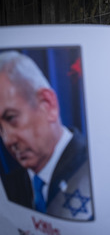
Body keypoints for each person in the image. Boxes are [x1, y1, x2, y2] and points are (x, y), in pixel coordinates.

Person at [0, 51, 93, 221]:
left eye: (11, 118)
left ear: (47, 104)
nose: (8, 140)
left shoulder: (96, 167)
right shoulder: (8, 188)